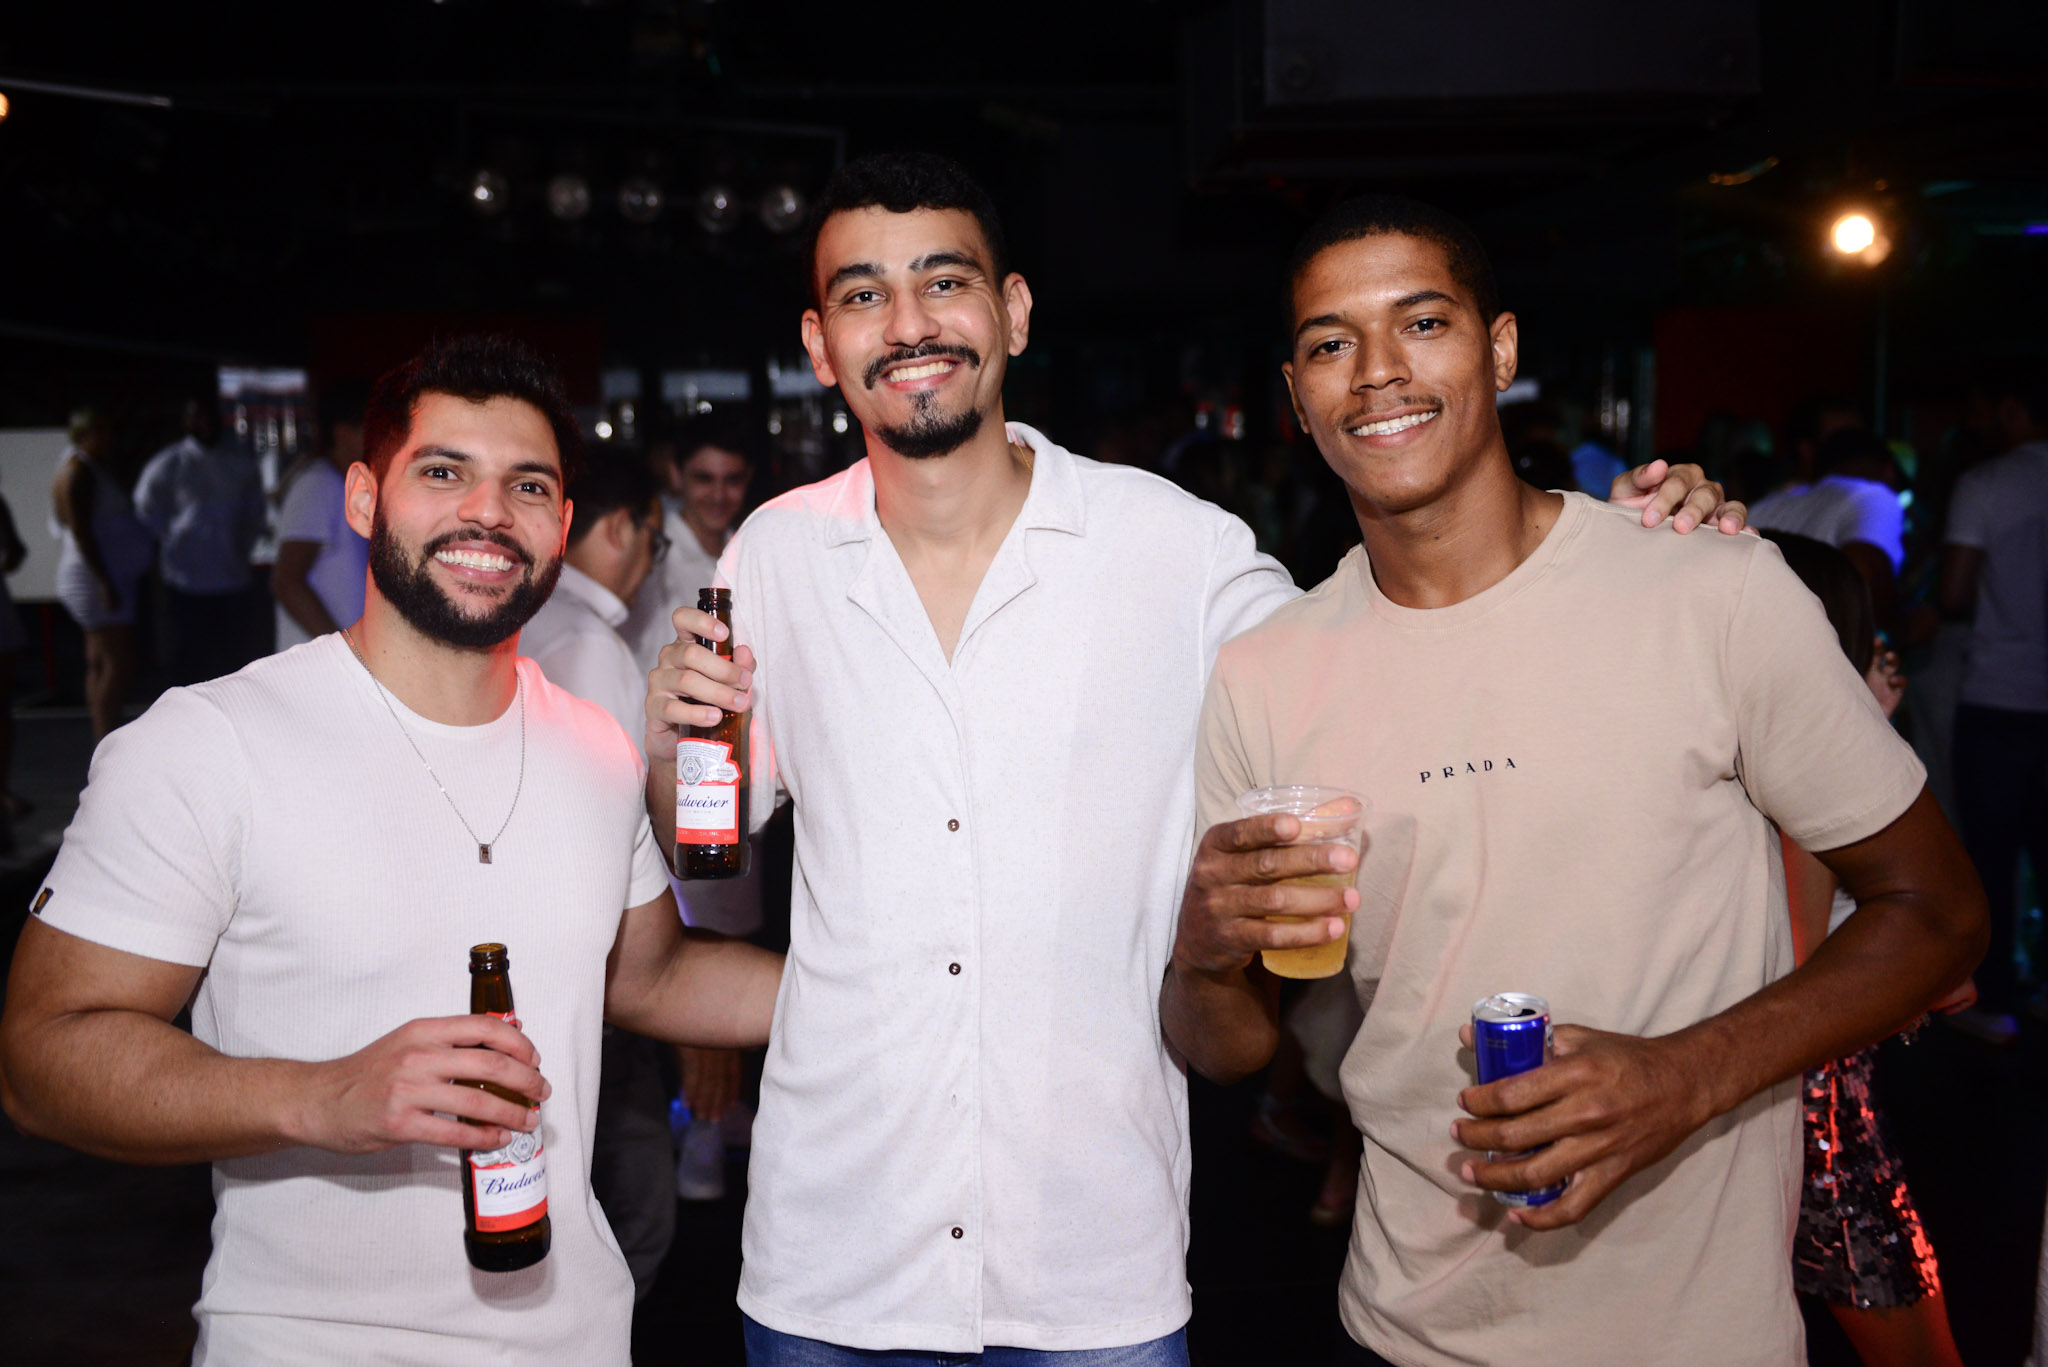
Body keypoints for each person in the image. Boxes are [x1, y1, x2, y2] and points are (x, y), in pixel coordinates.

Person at [642, 153, 1746, 1366]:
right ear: (819, 342)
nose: (907, 324)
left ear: (1012, 310)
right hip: (830, 1258)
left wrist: (1599, 550)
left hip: (1089, 1264)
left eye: (942, 282)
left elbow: (1397, 663)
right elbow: (704, 833)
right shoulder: (776, 555)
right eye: (863, 295)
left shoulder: (1175, 550)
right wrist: (673, 737)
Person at [1161, 196, 1986, 1367]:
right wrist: (1200, 954)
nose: (1378, 370)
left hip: (1698, 1337)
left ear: (1499, 349)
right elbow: (1229, 1047)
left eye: (1422, 323)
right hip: (1400, 1330)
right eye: (1331, 342)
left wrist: (1680, 1077)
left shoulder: (1708, 590)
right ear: (1295, 396)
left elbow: (1940, 913)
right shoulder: (1264, 674)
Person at [0, 334, 783, 1364]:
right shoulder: (208, 743)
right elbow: (42, 1056)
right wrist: (321, 1094)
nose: (488, 513)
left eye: (528, 485)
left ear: (560, 524)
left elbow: (653, 975)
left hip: (580, 1336)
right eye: (444, 472)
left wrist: (898, 984)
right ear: (365, 499)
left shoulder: (594, 743)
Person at [1764, 531, 1965, 1367]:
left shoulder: (1796, 754)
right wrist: (1905, 981)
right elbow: (1800, 963)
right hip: (1815, 1105)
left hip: (1794, 1091)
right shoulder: (1805, 769)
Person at [519, 444, 680, 1301]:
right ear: (618, 527)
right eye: (656, 539)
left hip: (547, 971)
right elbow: (620, 830)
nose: (653, 560)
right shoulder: (586, 642)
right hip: (600, 982)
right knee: (630, 1215)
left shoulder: (537, 620)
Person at [621, 415, 767, 1205]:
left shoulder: (754, 551)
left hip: (737, 783)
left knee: (731, 947)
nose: (718, 494)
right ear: (679, 476)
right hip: (675, 782)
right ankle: (701, 1143)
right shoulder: (660, 561)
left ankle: (720, 1117)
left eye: (732, 480)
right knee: (684, 968)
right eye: (704, 478)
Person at [1938, 362, 2048, 1045]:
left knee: (1992, 853)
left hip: (2000, 691)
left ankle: (1998, 998)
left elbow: (1954, 591)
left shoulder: (1986, 482)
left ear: (2011, 409)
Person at [134, 396, 267, 684]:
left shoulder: (239, 464)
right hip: (186, 582)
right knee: (190, 659)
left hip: (232, 577)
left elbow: (255, 511)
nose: (204, 423)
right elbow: (145, 507)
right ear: (186, 422)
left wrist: (243, 543)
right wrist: (174, 537)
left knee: (234, 662)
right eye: (197, 416)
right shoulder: (168, 464)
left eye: (209, 416)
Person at [52, 407, 154, 741]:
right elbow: (81, 531)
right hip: (96, 575)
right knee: (118, 662)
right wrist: (104, 580)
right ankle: (106, 739)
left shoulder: (83, 467)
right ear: (84, 434)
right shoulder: (78, 471)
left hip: (97, 573)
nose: (109, 439)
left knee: (98, 659)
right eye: (101, 431)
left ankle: (102, 737)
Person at [1749, 427, 1905, 635]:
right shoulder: (1872, 496)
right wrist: (1903, 628)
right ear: (1888, 470)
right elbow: (1866, 569)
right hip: (1819, 643)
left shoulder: (1769, 504)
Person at [271, 378, 372, 651]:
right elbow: (287, 581)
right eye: (370, 429)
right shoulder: (319, 485)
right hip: (319, 664)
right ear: (342, 434)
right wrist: (343, 650)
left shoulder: (342, 484)